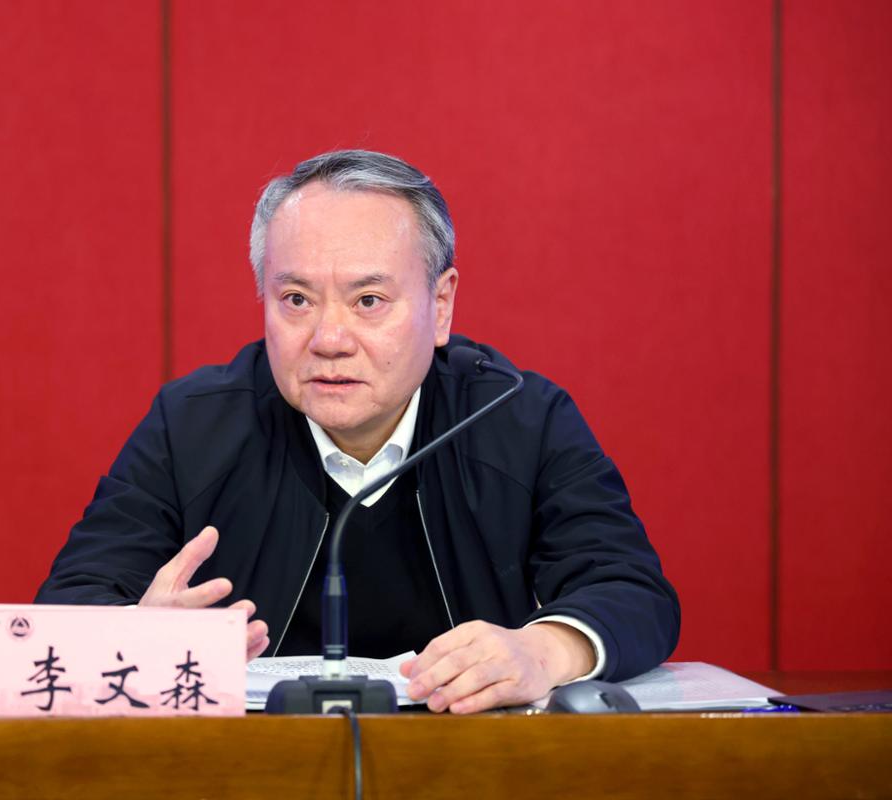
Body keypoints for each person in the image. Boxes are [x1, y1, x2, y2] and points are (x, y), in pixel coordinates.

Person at [37, 149, 679, 713]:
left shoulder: (518, 417)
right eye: (296, 300)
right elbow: (66, 606)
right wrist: (136, 635)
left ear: (441, 305)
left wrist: (543, 650)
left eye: (368, 301)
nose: (329, 339)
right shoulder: (193, 424)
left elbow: (632, 591)